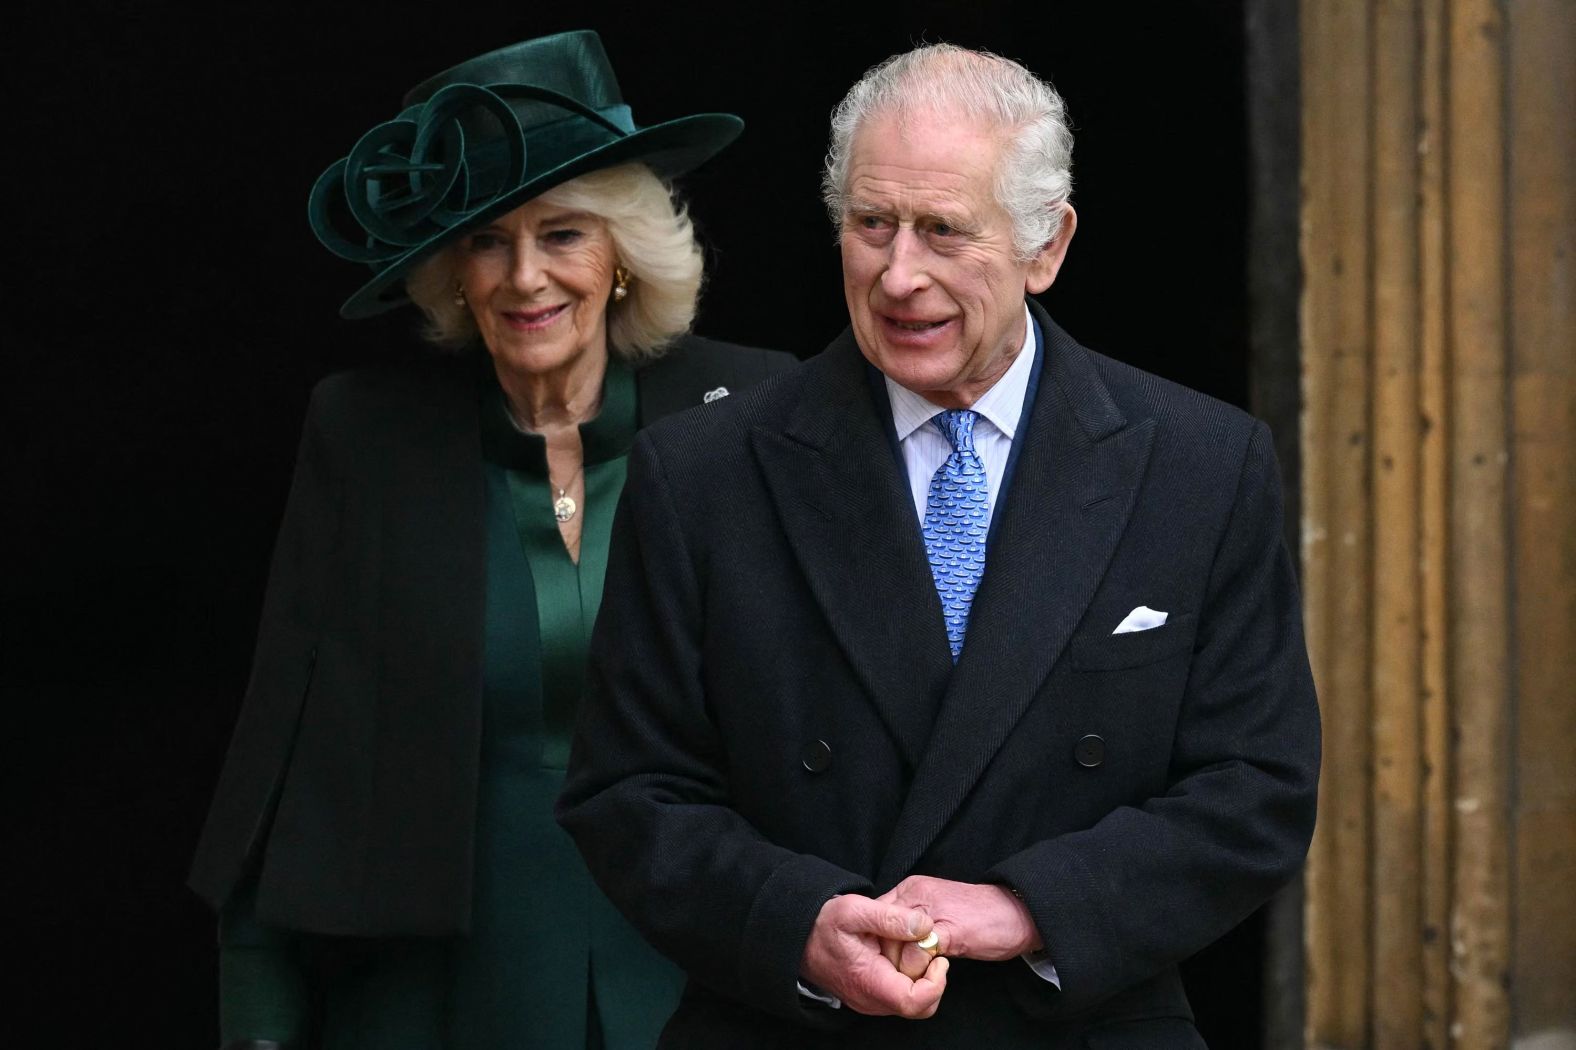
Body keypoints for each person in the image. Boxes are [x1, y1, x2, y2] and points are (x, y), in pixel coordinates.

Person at [557, 43, 1320, 1048]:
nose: (898, 274)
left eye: (943, 231)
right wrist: (798, 923)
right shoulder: (700, 473)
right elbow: (628, 792)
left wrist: (1031, 909)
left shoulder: (1202, 467)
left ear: (1046, 246)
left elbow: (1255, 787)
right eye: (871, 225)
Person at [188, 30, 793, 1050]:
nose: (524, 277)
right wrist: (254, 1004)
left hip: (697, 970)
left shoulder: (753, 412)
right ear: (451, 273)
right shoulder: (369, 434)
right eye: (486, 240)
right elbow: (283, 746)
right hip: (434, 989)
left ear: (619, 257)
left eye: (562, 233)